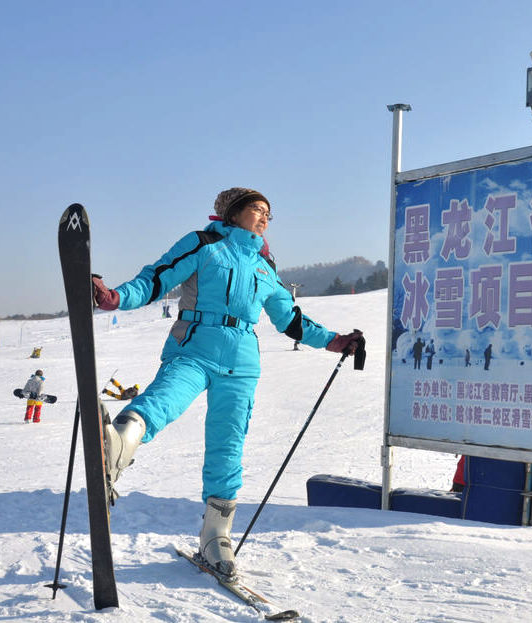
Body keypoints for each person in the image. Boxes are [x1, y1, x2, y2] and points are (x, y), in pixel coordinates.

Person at [90, 186, 364, 579]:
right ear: (234, 213)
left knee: (228, 444)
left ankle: (216, 537)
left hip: (242, 362)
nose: (265, 217)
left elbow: (290, 319)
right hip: (195, 346)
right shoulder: (203, 244)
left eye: (269, 212)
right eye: (257, 209)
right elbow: (156, 279)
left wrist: (335, 341)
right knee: (165, 398)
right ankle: (117, 444)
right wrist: (115, 298)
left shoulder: (264, 266)